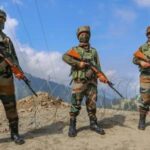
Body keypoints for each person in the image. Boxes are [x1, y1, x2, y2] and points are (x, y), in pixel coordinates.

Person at [63, 26, 108, 137]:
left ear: (89, 36)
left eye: (86, 33)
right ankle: (72, 125)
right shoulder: (75, 50)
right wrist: (79, 64)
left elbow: (98, 66)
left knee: (92, 104)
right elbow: (65, 57)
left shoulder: (93, 51)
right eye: (82, 34)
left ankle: (93, 124)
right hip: (79, 81)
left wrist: (102, 76)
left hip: (92, 82)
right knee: (76, 104)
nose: (84, 35)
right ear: (78, 36)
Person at [0, 9, 25, 144]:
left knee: (11, 106)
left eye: (2, 19)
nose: (0, 21)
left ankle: (14, 134)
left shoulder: (7, 40)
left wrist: (19, 71)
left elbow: (14, 59)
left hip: (6, 78)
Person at [133, 26, 150, 130]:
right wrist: (141, 62)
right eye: (149, 33)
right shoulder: (143, 48)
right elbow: (134, 59)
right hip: (145, 77)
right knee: (145, 99)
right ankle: (142, 120)